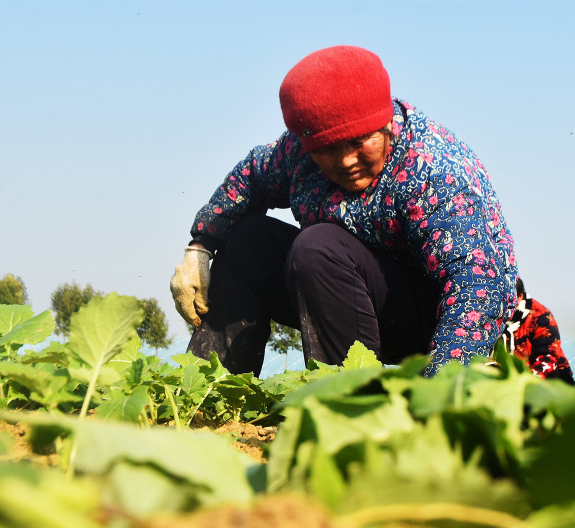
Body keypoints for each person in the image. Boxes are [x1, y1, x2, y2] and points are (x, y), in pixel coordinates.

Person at [170, 45, 520, 376]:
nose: (347, 161)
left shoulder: (431, 170)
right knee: (249, 240)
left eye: (359, 142)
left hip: (436, 318)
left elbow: (477, 282)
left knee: (317, 247)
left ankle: (348, 402)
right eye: (327, 149)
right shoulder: (299, 153)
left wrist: (443, 381)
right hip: (340, 297)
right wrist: (200, 247)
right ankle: (208, 393)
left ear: (384, 124)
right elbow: (253, 178)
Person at [501, 278, 575, 385]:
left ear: (520, 296)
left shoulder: (540, 316)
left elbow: (549, 357)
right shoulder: (492, 318)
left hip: (542, 377)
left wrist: (525, 382)